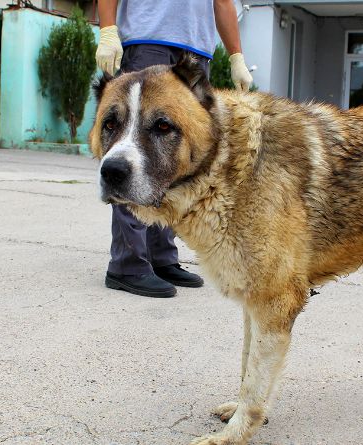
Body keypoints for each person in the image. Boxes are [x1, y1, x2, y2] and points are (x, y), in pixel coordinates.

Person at [95, 0, 253, 298]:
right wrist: (107, 30)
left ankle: (161, 257)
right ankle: (127, 265)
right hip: (148, 39)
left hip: (196, 49)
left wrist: (236, 56)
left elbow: (222, 2)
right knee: (136, 151)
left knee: (175, 159)